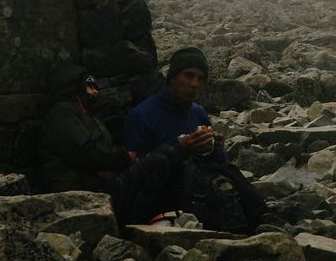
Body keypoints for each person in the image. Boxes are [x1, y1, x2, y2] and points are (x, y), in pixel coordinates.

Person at [124, 47, 262, 231]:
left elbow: (220, 160)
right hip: (166, 191)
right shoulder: (142, 116)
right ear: (172, 77)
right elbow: (139, 172)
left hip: (200, 182)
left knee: (229, 171)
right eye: (188, 75)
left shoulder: (197, 112)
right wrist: (180, 149)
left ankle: (262, 219)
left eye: (200, 78)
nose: (195, 84)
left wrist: (215, 148)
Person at [39, 63, 183, 226]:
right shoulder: (61, 114)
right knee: (157, 162)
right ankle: (133, 226)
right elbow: (86, 153)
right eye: (89, 86)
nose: (95, 91)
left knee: (167, 153)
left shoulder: (85, 114)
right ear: (75, 88)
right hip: (85, 193)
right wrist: (124, 158)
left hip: (100, 184)